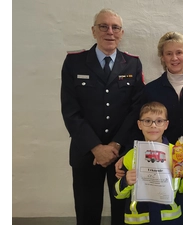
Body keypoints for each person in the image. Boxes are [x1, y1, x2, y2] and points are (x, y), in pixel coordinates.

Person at [60, 8, 145, 225]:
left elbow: (136, 110)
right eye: (103, 26)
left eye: (115, 27)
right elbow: (71, 111)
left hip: (122, 152)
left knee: (122, 212)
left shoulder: (133, 64)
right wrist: (96, 147)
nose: (110, 32)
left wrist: (115, 145)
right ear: (93, 31)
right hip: (86, 153)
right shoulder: (74, 63)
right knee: (87, 212)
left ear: (121, 33)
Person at [115, 31, 183, 223]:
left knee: (180, 207)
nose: (174, 58)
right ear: (162, 57)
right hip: (153, 163)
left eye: (179, 52)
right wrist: (127, 155)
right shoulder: (150, 90)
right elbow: (138, 124)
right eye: (168, 53)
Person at [114, 101, 183, 224]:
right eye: (147, 121)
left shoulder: (177, 153)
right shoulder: (130, 156)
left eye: (159, 121)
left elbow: (182, 189)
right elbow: (118, 195)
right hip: (139, 221)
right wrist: (126, 182)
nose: (153, 126)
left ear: (166, 124)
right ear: (139, 124)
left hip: (169, 220)